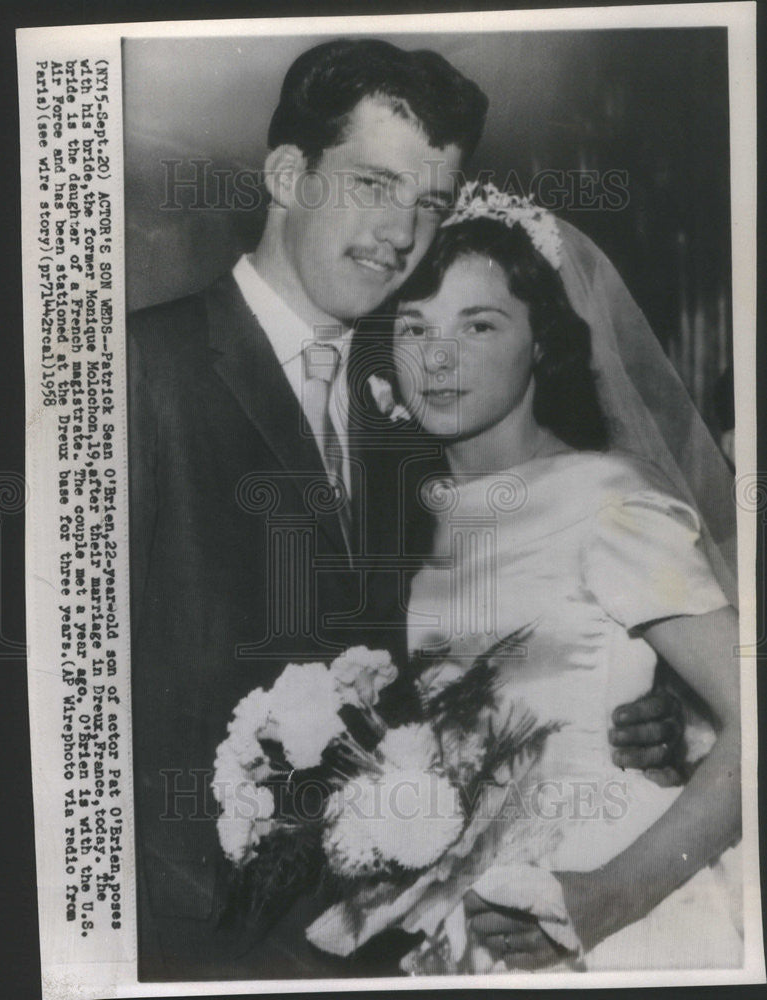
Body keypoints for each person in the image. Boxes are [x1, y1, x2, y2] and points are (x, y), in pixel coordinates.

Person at [128, 40, 686, 980]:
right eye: (373, 184)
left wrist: (640, 697)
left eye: (429, 201)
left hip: (389, 937)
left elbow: (495, 623)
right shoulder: (136, 374)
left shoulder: (423, 402)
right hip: (189, 947)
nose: (401, 230)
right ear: (285, 175)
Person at [391, 186, 742, 971]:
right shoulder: (401, 520)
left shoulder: (605, 499)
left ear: (540, 341)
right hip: (456, 911)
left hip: (612, 896)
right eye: (413, 328)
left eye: (478, 325)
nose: (437, 358)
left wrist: (604, 896)